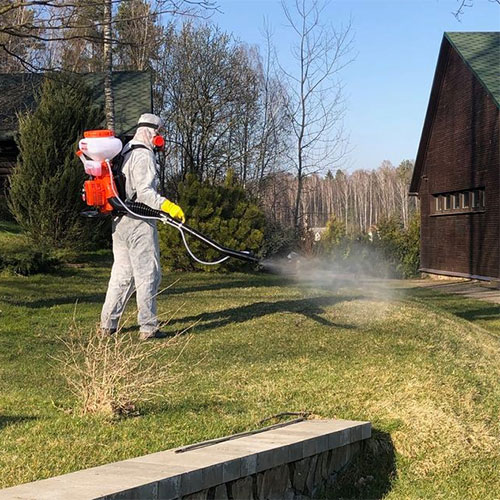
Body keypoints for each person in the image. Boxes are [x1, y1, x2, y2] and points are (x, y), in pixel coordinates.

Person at [100, 113, 185, 339]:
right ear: (152, 132)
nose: (160, 139)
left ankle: (107, 325)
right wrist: (169, 207)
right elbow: (145, 193)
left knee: (121, 274)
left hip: (119, 222)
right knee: (148, 274)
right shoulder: (143, 155)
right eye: (159, 133)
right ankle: (148, 327)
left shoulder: (125, 151)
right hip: (139, 222)